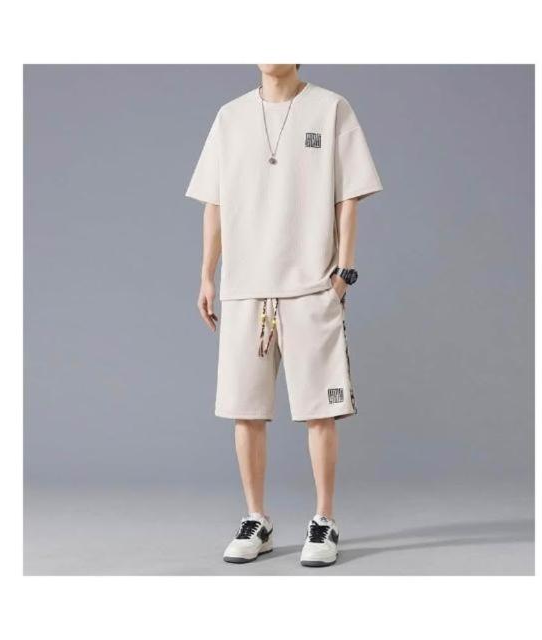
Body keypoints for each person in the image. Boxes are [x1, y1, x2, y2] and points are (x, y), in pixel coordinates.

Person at [186, 64, 382, 567]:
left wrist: (344, 271)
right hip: (245, 287)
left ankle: (324, 520)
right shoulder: (230, 117)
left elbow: (349, 194)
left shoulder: (331, 108)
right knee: (246, 410)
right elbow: (214, 203)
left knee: (321, 410)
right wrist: (207, 275)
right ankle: (257, 519)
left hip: (311, 285)